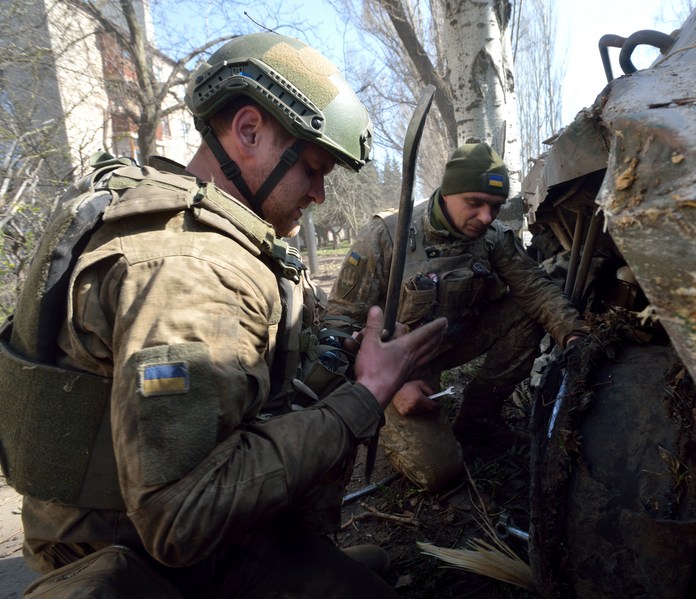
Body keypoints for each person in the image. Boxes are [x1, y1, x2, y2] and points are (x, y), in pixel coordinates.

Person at [0, 33, 446, 597]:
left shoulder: (178, 213)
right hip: (149, 563)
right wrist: (366, 396)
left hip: (143, 524)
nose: (319, 196)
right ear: (249, 131)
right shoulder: (191, 269)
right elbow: (179, 519)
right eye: (312, 169)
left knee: (369, 564)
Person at [324, 142, 587, 492]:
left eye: (495, 206)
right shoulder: (388, 237)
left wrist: (573, 334)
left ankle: (478, 419)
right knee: (440, 474)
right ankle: (388, 415)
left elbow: (535, 288)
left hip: (454, 340)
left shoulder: (492, 239)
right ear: (447, 193)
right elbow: (340, 323)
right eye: (474, 203)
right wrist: (390, 387)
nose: (486, 217)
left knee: (528, 311)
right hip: (394, 366)